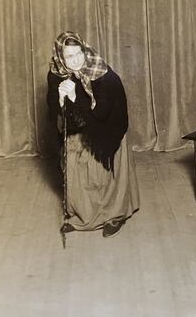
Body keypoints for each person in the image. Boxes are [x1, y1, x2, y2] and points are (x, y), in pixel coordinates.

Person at [47, 31, 139, 237]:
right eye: (69, 57)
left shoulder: (103, 74)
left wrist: (73, 98)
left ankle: (115, 215)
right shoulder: (56, 73)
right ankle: (83, 215)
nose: (76, 60)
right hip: (76, 130)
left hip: (106, 129)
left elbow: (100, 114)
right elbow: (52, 108)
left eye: (79, 53)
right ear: (61, 58)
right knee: (78, 174)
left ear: (85, 50)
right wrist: (61, 100)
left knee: (104, 174)